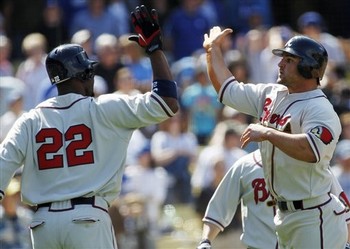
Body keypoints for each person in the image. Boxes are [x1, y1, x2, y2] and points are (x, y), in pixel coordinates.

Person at [0, 5, 178, 249]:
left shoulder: (29, 120)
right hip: (88, 219)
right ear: (82, 75)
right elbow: (167, 103)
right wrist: (155, 50)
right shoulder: (105, 108)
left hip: (42, 224)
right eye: (89, 71)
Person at [202, 26, 348, 248]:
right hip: (284, 216)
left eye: (289, 60)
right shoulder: (272, 93)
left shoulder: (320, 108)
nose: (280, 64)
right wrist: (213, 51)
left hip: (313, 216)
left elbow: (311, 150)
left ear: (309, 67)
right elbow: (227, 90)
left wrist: (268, 133)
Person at [196, 150, 277, 249]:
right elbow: (214, 211)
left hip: (234, 233)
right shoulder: (245, 165)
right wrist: (205, 240)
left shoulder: (299, 163)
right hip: (255, 243)